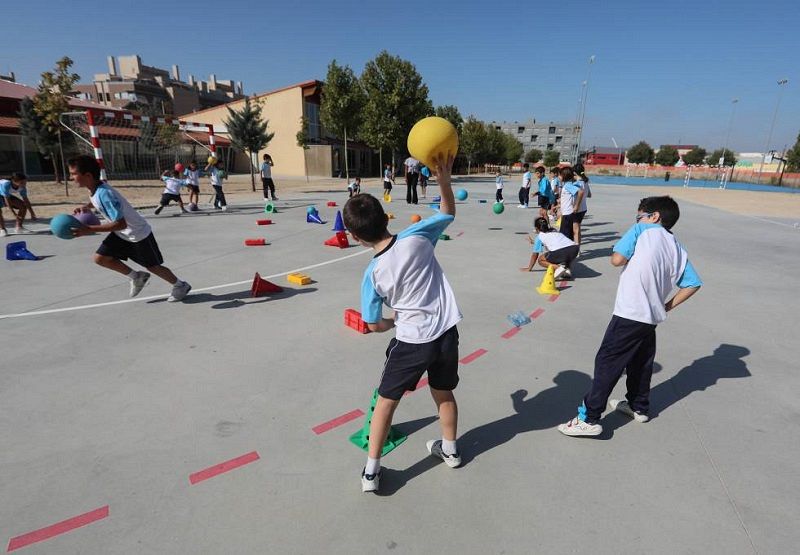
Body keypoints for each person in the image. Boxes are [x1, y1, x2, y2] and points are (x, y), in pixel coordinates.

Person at [343, 154, 462, 493]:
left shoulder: (372, 274)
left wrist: (392, 321)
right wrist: (444, 182)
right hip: (446, 333)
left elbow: (372, 325)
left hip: (412, 341)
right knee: (443, 392)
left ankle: (371, 471)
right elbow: (448, 212)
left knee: (386, 403)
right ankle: (450, 450)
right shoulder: (416, 236)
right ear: (385, 217)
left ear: (355, 236)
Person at [558, 196, 702, 437]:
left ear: (654, 216)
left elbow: (617, 260)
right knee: (640, 363)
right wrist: (666, 306)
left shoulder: (640, 230)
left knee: (607, 362)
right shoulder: (676, 246)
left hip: (630, 313)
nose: (637, 220)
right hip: (650, 317)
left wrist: (626, 246)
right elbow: (692, 283)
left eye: (639, 216)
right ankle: (638, 406)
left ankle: (589, 418)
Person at [68, 155, 192, 301]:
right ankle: (136, 277)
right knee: (100, 258)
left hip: (138, 234)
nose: (71, 177)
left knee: (153, 267)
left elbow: (121, 223)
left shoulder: (104, 194)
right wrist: (87, 207)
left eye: (73, 174)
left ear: (88, 175)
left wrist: (89, 229)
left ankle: (180, 285)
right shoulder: (95, 188)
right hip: (122, 234)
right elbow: (102, 205)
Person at [557, 167, 585, 240]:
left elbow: (581, 192)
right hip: (567, 213)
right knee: (568, 236)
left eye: (560, 175)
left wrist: (576, 206)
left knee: (564, 236)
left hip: (568, 214)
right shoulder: (570, 184)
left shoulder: (568, 185)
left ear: (564, 176)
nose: (558, 177)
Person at [572, 163, 592, 249]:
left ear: (574, 173)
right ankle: (577, 247)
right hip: (583, 208)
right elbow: (589, 195)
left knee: (575, 230)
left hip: (577, 208)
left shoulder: (577, 184)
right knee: (578, 228)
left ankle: (576, 249)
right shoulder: (585, 182)